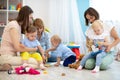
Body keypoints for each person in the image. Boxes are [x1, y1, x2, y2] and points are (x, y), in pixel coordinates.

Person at [0, 6, 37, 70]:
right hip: (6, 57)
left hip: (12, 56)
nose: (31, 20)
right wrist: (32, 49)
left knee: (35, 62)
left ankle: (10, 67)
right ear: (25, 17)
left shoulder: (18, 26)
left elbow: (18, 45)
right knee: (35, 62)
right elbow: (17, 48)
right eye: (30, 18)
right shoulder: (13, 25)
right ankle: (8, 67)